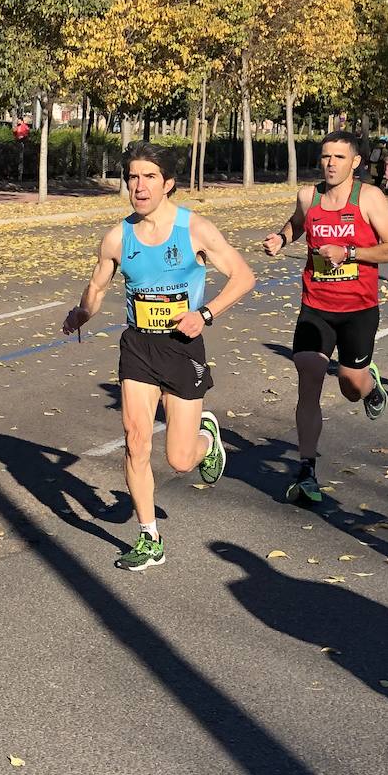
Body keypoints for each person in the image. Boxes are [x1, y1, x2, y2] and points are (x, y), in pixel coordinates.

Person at [63, 141, 255, 571]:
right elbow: (96, 287)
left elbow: (244, 277)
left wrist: (205, 313)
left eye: (149, 176)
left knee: (180, 460)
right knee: (135, 440)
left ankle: (206, 441)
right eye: (132, 176)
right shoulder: (117, 236)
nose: (139, 185)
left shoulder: (196, 230)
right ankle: (149, 537)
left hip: (182, 346)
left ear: (168, 183)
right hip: (138, 345)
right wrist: (82, 313)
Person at [262, 130, 388, 504]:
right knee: (309, 374)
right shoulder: (309, 195)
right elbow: (298, 222)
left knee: (350, 385)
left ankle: (370, 386)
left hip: (358, 309)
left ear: (355, 163)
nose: (330, 163)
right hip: (316, 305)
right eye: (324, 156)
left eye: (338, 157)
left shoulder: (369, 198)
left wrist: (349, 252)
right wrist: (282, 239)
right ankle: (306, 470)